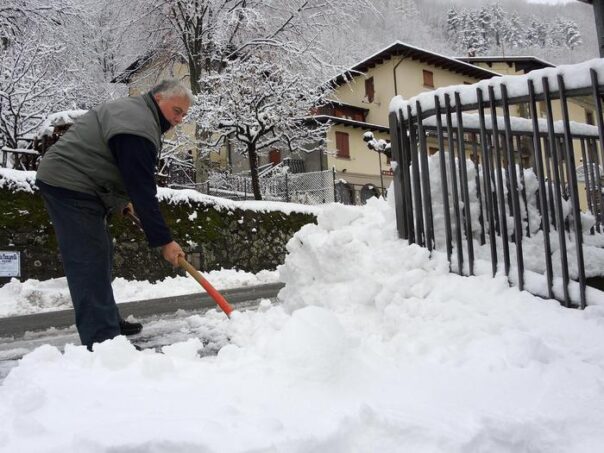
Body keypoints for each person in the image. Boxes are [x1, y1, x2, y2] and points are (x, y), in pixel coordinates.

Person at [36, 79, 193, 351]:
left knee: (101, 252)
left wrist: (120, 202)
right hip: (69, 183)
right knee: (89, 259)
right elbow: (142, 189)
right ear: (159, 99)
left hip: (82, 182)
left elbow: (112, 164)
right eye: (177, 111)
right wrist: (165, 242)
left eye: (184, 115)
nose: (179, 119)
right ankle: (103, 341)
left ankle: (107, 320)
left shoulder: (138, 114)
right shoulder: (138, 126)